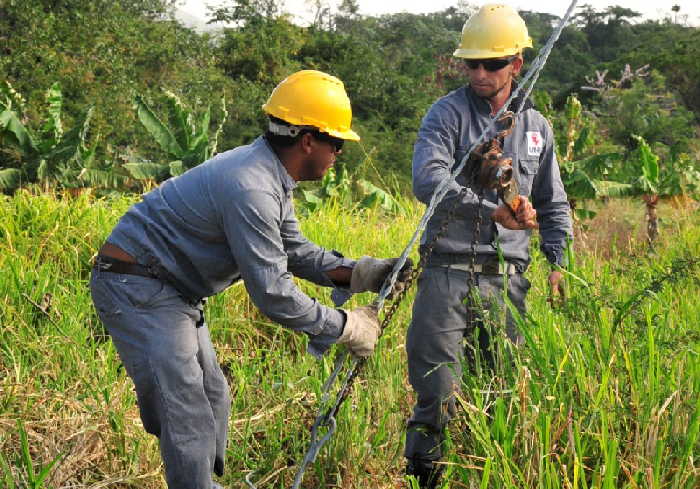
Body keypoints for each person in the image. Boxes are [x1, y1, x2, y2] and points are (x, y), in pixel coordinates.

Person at [90, 70, 409, 489]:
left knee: (214, 398)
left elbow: (292, 249)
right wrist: (346, 328)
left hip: (170, 288)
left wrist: (362, 272)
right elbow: (273, 293)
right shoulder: (251, 187)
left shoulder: (270, 174)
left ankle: (200, 481)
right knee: (187, 410)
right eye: (335, 143)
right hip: (139, 286)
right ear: (308, 140)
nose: (338, 154)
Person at [404, 5, 572, 488]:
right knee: (438, 393)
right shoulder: (447, 115)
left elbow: (553, 201)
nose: (480, 73)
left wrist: (558, 262)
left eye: (492, 64)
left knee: (501, 393)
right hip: (448, 273)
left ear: (516, 64)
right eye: (471, 64)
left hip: (509, 281)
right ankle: (426, 479)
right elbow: (427, 178)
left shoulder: (538, 127)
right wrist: (488, 209)